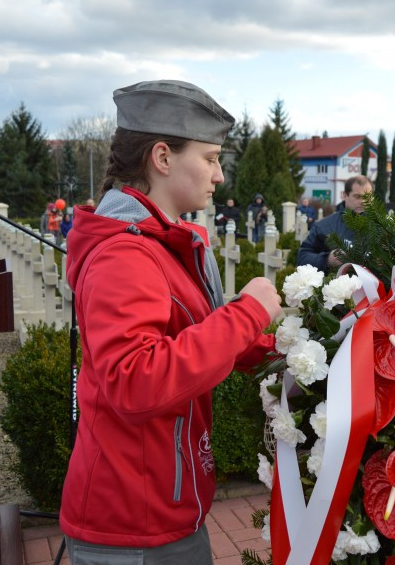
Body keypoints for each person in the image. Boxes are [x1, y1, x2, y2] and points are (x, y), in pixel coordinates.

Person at [60, 80, 282, 563]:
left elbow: (197, 335)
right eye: (210, 158)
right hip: (132, 524)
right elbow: (135, 380)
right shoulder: (124, 254)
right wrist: (248, 311)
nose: (218, 175)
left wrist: (294, 352)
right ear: (162, 157)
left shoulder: (159, 242)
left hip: (162, 505)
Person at [296, 175, 373, 273]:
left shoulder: (383, 228)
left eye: (367, 197)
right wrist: (327, 259)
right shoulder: (323, 227)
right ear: (345, 195)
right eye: (357, 196)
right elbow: (302, 258)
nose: (363, 201)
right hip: (335, 281)